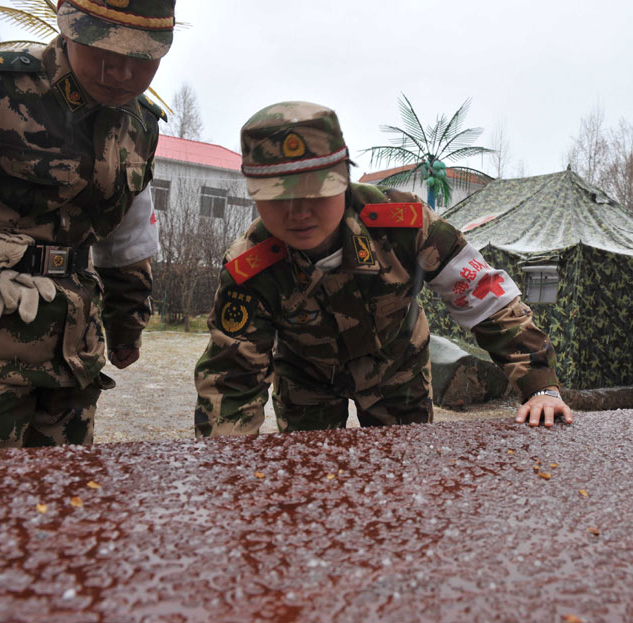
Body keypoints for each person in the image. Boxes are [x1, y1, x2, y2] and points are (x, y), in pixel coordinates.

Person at [195, 102, 571, 436]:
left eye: (315, 190)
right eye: (278, 197)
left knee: (403, 469)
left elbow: (486, 298)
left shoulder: (404, 226)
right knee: (311, 472)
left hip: (396, 367)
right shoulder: (251, 267)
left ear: (343, 179)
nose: (298, 212)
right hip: (307, 376)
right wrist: (228, 466)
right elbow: (232, 377)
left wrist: (540, 386)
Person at [0, 0, 176, 450]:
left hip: (73, 358)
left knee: (66, 488)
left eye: (142, 56)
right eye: (104, 49)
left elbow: (128, 239)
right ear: (66, 22)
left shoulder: (140, 125)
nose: (122, 72)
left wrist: (126, 324)